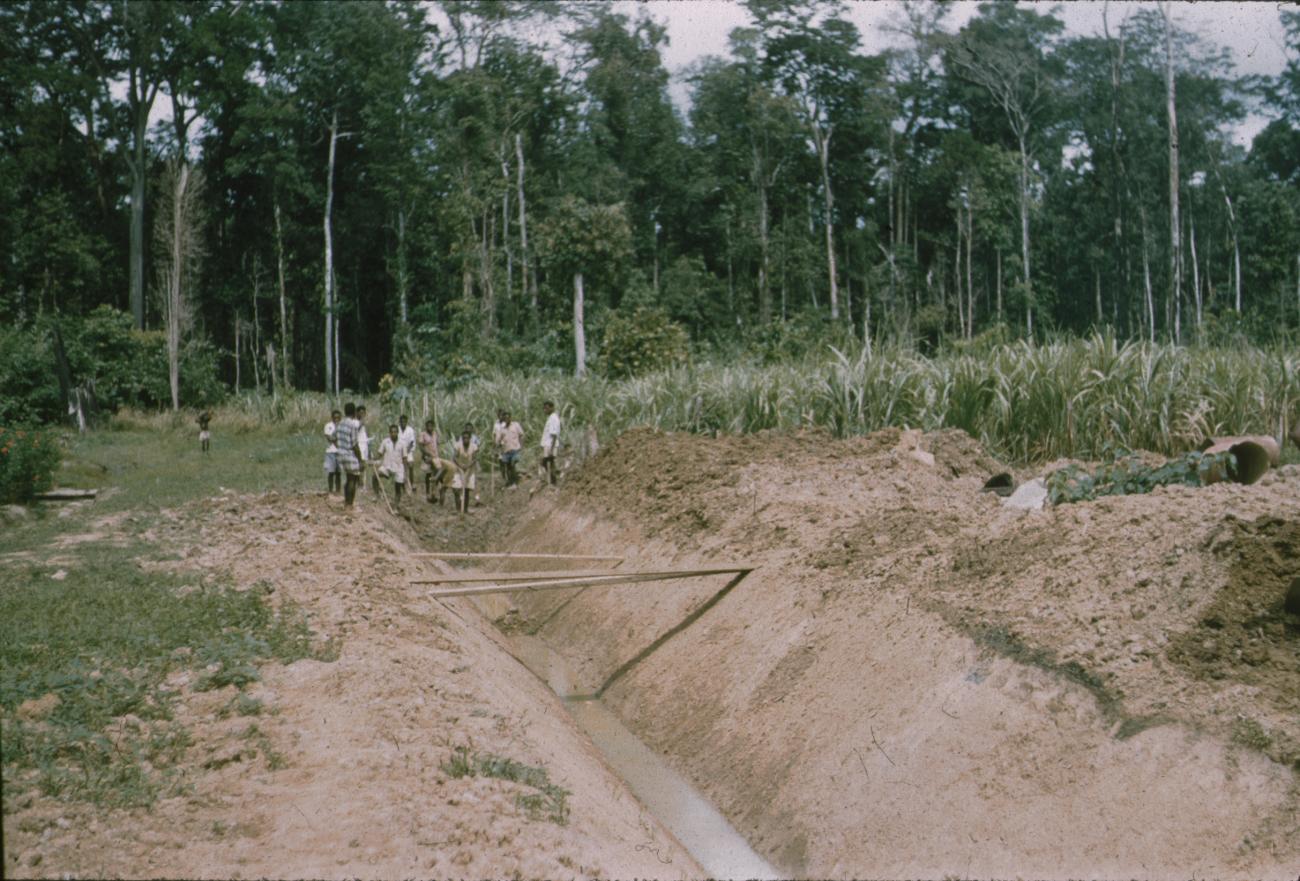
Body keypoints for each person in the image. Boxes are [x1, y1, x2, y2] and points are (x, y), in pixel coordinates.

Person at [334, 403, 363, 507]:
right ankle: (349, 503)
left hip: (341, 454)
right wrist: (360, 460)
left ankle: (346, 501)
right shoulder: (353, 425)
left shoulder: (340, 423)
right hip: (350, 454)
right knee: (353, 480)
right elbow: (355, 445)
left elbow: (334, 438)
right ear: (354, 412)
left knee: (348, 478)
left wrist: (340, 447)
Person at [450, 423, 479, 514]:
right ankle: (458, 508)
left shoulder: (473, 446)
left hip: (470, 469)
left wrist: (468, 466)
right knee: (455, 489)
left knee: (466, 490)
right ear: (462, 439)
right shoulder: (458, 445)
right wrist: (461, 466)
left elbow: (474, 459)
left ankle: (465, 509)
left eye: (467, 438)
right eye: (464, 438)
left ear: (470, 439)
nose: (465, 440)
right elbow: (454, 457)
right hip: (459, 468)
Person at [419, 420, 447, 504]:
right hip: (427, 457)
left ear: (433, 426)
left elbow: (437, 444)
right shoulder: (423, 434)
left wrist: (439, 454)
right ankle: (428, 493)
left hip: (436, 456)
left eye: (431, 426)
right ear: (426, 426)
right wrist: (425, 454)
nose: (429, 427)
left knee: (437, 474)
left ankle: (435, 493)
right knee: (428, 474)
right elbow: (421, 446)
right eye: (428, 426)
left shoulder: (435, 434)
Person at [378, 424, 406, 506]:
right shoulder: (385, 442)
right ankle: (377, 495)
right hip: (387, 467)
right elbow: (379, 453)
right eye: (392, 432)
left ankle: (396, 506)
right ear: (389, 433)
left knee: (398, 488)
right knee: (375, 476)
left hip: (399, 468)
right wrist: (373, 460)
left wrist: (406, 474)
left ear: (397, 433)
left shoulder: (402, 443)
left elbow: (405, 458)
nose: (393, 434)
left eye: (395, 432)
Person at [499, 410, 524, 488]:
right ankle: (510, 481)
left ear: (510, 417)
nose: (506, 419)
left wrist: (521, 446)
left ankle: (515, 482)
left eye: (508, 417)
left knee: (513, 464)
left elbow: (522, 435)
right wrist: (499, 448)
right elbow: (499, 440)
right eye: (505, 418)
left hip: (515, 449)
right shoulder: (502, 428)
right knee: (507, 467)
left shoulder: (516, 425)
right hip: (506, 450)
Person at [541, 400, 561, 486]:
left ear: (552, 408)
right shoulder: (551, 418)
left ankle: (554, 482)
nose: (545, 410)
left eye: (547, 408)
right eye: (544, 408)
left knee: (549, 463)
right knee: (548, 463)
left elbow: (554, 435)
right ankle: (552, 481)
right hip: (548, 444)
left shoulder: (553, 418)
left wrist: (551, 449)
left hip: (550, 444)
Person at [356, 405, 376, 493]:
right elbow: (356, 429)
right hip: (358, 445)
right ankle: (358, 485)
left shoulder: (366, 424)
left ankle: (363, 485)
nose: (362, 414)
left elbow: (368, 437)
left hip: (365, 446)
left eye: (363, 413)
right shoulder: (355, 422)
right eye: (360, 413)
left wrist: (370, 449)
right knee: (358, 466)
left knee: (364, 466)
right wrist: (361, 421)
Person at [397, 414, 417, 495]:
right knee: (401, 469)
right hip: (399, 452)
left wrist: (406, 452)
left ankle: (412, 484)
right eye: (401, 422)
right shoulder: (397, 429)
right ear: (400, 422)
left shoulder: (410, 430)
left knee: (411, 466)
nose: (403, 423)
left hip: (408, 451)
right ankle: (403, 486)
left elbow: (412, 442)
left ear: (406, 422)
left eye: (404, 422)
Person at [323, 409, 342, 494]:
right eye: (335, 418)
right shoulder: (328, 426)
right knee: (331, 472)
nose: (336, 419)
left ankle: (338, 490)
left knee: (338, 472)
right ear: (332, 418)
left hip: (340, 452)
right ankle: (330, 490)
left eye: (338, 418)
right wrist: (336, 437)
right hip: (330, 451)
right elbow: (329, 438)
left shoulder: (342, 426)